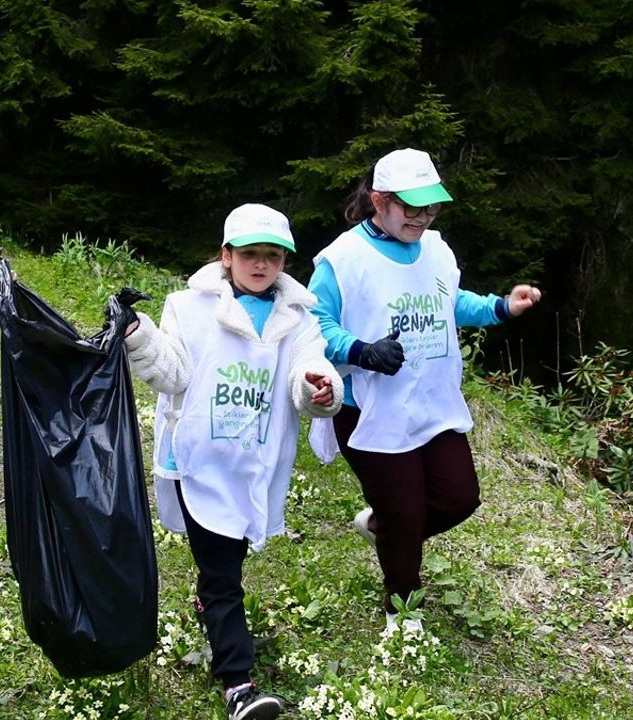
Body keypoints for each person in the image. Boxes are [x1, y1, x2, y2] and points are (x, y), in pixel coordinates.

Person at [307, 148, 542, 633]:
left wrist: (502, 307)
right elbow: (313, 321)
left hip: (432, 401)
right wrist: (360, 349)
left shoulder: (436, 248)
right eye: (410, 207)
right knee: (405, 507)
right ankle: (402, 611)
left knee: (459, 497)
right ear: (378, 200)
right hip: (369, 407)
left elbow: (449, 302)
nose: (421, 217)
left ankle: (384, 527)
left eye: (429, 207)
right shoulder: (342, 259)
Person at [124, 203, 343, 720]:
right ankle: (237, 685)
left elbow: (306, 372)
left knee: (230, 551)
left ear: (285, 261)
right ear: (226, 256)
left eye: (272, 256)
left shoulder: (299, 320)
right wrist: (140, 339)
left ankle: (208, 603)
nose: (261, 265)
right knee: (223, 572)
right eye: (249, 254)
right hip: (199, 459)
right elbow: (174, 372)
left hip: (254, 462)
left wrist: (319, 389)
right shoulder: (189, 307)